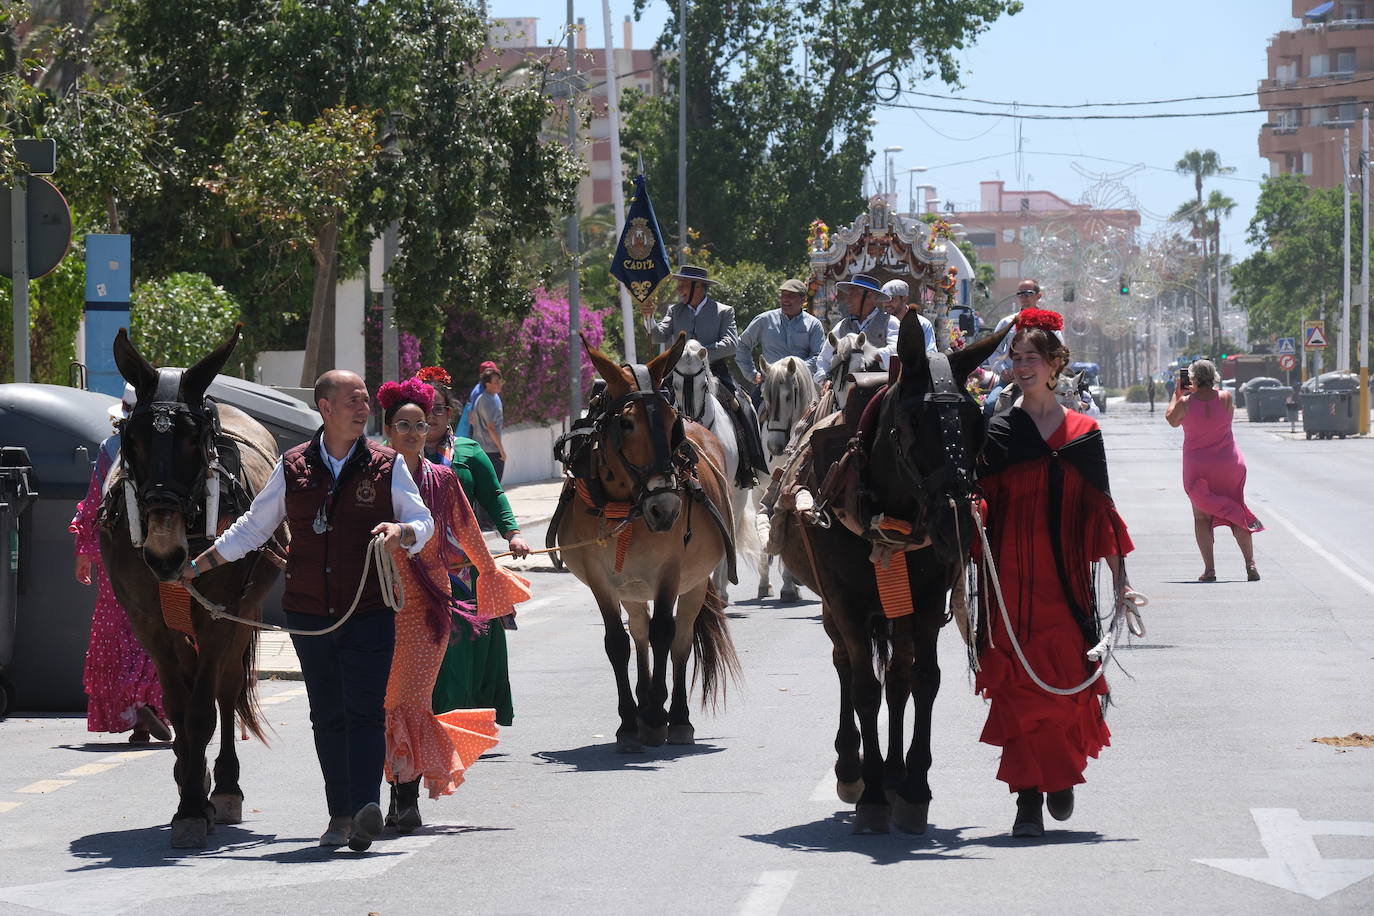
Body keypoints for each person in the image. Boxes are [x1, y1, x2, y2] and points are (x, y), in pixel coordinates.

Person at [182, 369, 435, 852]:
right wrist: (201, 564)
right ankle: (339, 814)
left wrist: (400, 532)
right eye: (352, 401)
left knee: (364, 713)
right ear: (324, 406)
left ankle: (365, 808)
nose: (363, 409)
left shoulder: (387, 465)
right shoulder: (293, 465)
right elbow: (254, 528)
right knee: (327, 715)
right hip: (309, 615)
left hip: (370, 609)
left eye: (365, 401)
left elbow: (422, 521)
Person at [974, 307, 1134, 838]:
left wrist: (1122, 580)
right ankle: (1025, 801)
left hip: (1066, 586)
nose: (1021, 367)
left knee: (1066, 682)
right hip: (1013, 586)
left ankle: (1059, 777)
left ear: (1055, 364)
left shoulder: (1085, 433)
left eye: (1032, 359)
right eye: (1015, 358)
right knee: (1019, 688)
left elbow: (1101, 512)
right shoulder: (998, 430)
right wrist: (974, 509)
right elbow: (983, 501)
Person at [377, 377, 531, 832]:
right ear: (386, 428)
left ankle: (403, 797)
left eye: (419, 425)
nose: (411, 432)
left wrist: (493, 575)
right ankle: (375, 792)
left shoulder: (443, 478)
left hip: (429, 605)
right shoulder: (371, 475)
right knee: (383, 701)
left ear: (429, 430)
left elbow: (467, 529)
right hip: (376, 601)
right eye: (402, 424)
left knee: (411, 699)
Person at [420, 374, 531, 726]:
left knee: (471, 642)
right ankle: (429, 716)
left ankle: (470, 716)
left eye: (437, 408)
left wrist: (512, 533)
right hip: (418, 566)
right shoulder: (396, 456)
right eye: (422, 408)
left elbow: (494, 495)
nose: (431, 415)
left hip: (467, 565)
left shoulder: (468, 452)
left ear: (450, 412)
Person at [70, 385, 172, 743]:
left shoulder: (110, 449)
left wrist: (84, 549)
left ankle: (136, 707)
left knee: (121, 631)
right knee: (163, 627)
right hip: (162, 553)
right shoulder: (169, 448)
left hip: (119, 559)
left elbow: (94, 502)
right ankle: (150, 705)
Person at [648, 264, 767, 482]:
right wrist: (649, 317)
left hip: (714, 373)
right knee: (650, 408)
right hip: (677, 375)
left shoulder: (724, 311)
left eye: (683, 285)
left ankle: (750, 466)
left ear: (699, 287)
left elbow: (731, 344)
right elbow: (658, 335)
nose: (679, 289)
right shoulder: (675, 311)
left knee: (743, 407)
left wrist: (698, 355)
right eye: (679, 285)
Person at [1164, 358, 1263, 582]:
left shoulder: (1185, 403)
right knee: (1236, 510)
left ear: (1192, 379)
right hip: (1229, 465)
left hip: (1199, 467)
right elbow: (1223, 412)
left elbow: (1171, 420)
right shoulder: (1226, 398)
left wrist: (1177, 394)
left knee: (1201, 517)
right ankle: (1250, 564)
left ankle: (1210, 570)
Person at [733, 278, 826, 397]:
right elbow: (742, 345)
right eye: (783, 295)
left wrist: (793, 368)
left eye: (791, 296)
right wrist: (751, 374)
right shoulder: (764, 320)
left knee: (822, 413)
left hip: (802, 388)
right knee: (750, 413)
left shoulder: (814, 324)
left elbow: (818, 356)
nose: (785, 299)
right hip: (769, 387)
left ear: (803, 299)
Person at [813, 273, 899, 384]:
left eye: (852, 295)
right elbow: (824, 359)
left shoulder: (889, 322)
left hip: (879, 386)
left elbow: (896, 350)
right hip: (845, 387)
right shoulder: (842, 326)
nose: (847, 300)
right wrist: (825, 379)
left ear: (869, 296)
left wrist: (865, 352)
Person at [469, 367, 506, 484]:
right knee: (492, 487)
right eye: (496, 382)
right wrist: (501, 450)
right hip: (491, 451)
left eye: (500, 381)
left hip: (481, 448)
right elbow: (491, 427)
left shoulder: (489, 397)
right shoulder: (488, 400)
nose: (499, 384)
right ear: (487, 384)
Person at [881, 278, 936, 355]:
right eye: (884, 299)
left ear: (905, 299)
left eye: (892, 299)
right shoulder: (879, 324)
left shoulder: (923, 324)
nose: (887, 304)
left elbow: (931, 353)